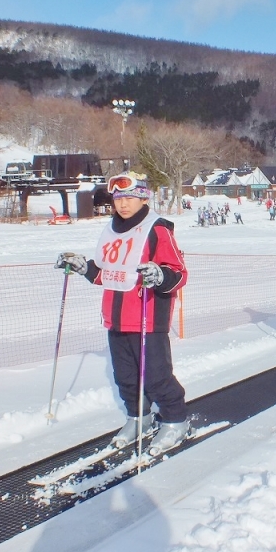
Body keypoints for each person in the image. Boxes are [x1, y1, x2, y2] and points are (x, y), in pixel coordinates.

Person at [56, 172, 190, 455]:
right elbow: (106, 273)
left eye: (130, 197)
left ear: (143, 198)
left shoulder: (157, 229)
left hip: (147, 316)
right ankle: (139, 417)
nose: (123, 204)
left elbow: (178, 273)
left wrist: (160, 275)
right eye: (118, 198)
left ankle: (175, 420)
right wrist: (84, 267)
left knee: (156, 376)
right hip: (116, 317)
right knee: (126, 377)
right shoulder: (112, 229)